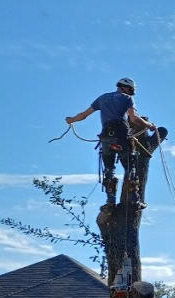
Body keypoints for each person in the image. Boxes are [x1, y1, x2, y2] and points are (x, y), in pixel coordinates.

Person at [65, 77, 160, 206]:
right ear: (126, 88)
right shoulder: (127, 98)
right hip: (121, 133)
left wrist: (71, 120)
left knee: (109, 170)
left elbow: (83, 115)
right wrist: (149, 125)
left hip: (106, 136)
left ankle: (110, 201)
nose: (130, 92)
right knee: (130, 167)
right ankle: (134, 199)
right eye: (130, 90)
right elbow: (133, 118)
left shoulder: (102, 98)